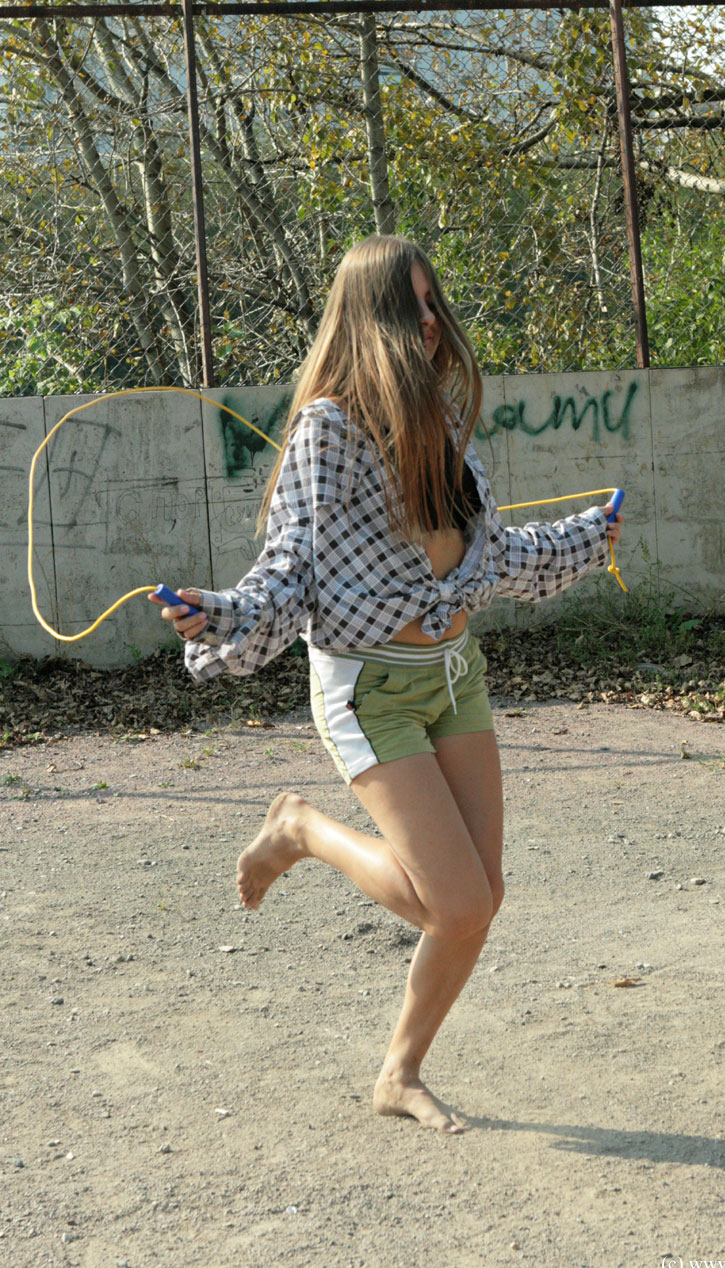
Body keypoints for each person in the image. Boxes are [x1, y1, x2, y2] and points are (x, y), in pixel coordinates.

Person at [151, 234, 623, 1134]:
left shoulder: (439, 419)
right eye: (412, 306)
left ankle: (398, 1074)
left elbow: (491, 556)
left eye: (434, 303)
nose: (431, 322)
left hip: (456, 677)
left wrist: (585, 538)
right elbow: (291, 568)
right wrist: (224, 616)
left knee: (478, 903)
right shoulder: (326, 430)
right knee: (455, 900)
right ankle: (299, 829)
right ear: (370, 319)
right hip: (372, 687)